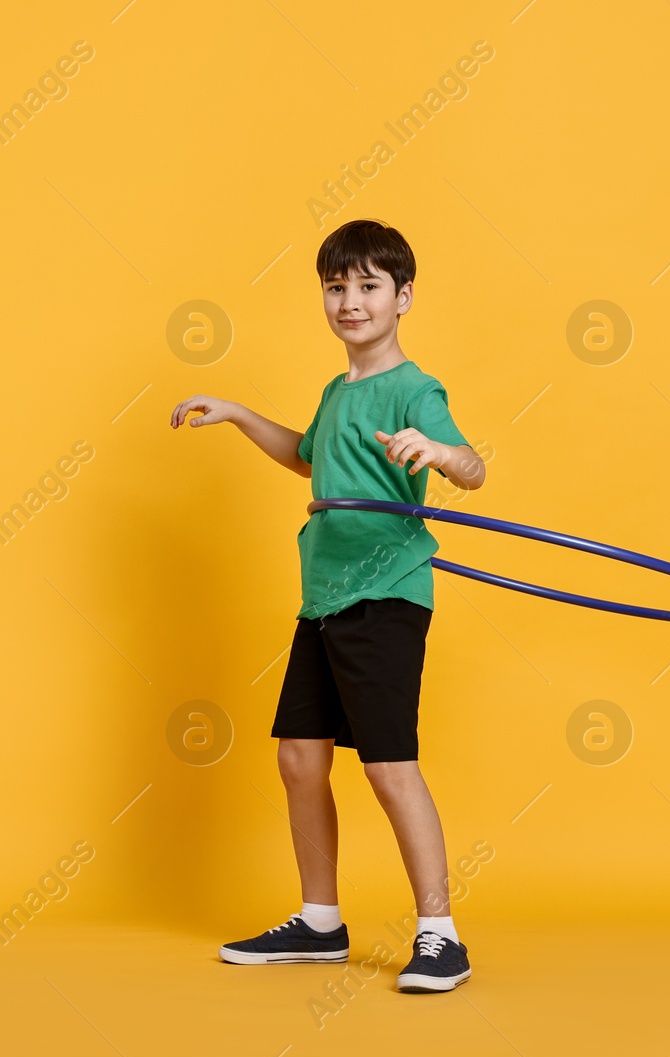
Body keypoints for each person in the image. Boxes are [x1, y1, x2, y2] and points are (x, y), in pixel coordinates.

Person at [169, 219, 485, 993]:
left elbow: (473, 469)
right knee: (299, 758)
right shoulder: (336, 391)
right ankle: (319, 922)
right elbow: (309, 458)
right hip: (325, 600)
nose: (350, 301)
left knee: (387, 766)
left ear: (402, 297)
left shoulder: (415, 389)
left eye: (369, 286)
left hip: (386, 594)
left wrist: (440, 454)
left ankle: (441, 934)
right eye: (337, 287)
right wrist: (240, 413)